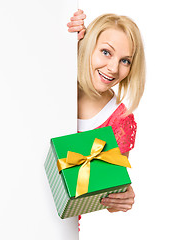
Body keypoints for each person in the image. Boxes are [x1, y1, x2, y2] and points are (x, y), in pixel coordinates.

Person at [67, 9, 145, 213]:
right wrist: (62, 32)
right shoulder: (56, 73)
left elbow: (102, 190)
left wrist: (120, 196)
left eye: (125, 60)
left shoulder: (120, 122)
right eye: (106, 52)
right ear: (88, 45)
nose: (113, 68)